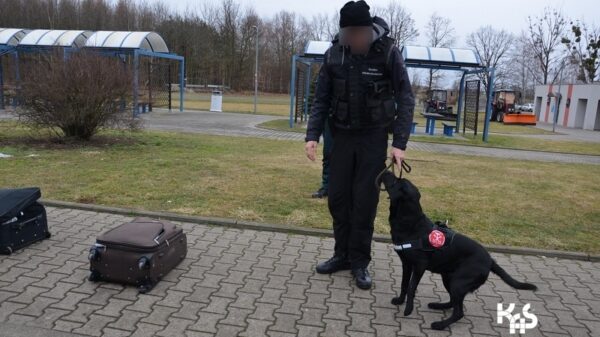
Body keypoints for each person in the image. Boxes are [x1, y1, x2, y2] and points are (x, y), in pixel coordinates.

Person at [304, 0, 415, 290]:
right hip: (341, 137)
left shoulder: (388, 53)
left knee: (364, 202)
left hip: (373, 138)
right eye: (350, 34)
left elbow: (405, 98)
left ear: (369, 31)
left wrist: (399, 143)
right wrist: (312, 136)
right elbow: (321, 99)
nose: (356, 40)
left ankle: (359, 261)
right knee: (338, 199)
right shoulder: (333, 55)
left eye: (360, 34)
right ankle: (341, 255)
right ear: (343, 33)